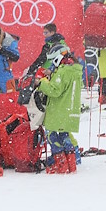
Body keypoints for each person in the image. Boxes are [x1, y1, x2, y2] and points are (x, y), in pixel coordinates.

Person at [36, 43, 84, 174]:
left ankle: (60, 163)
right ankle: (71, 162)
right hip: (70, 109)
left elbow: (54, 90)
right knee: (64, 135)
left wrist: (41, 83)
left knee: (51, 134)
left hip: (59, 109)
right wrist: (53, 73)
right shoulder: (74, 70)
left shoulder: (63, 71)